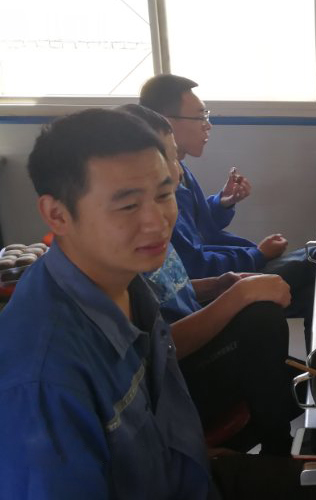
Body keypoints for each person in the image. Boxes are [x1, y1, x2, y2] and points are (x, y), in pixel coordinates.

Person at [0, 109, 212, 498]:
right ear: (57, 214)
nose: (157, 222)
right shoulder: (44, 380)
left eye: (164, 195)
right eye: (128, 206)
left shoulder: (126, 280)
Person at [119, 104, 301, 455]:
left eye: (174, 157)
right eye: (167, 157)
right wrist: (239, 293)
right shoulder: (122, 249)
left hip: (194, 339)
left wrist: (219, 285)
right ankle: (277, 452)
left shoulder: (158, 216)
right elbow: (157, 348)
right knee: (261, 319)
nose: (177, 169)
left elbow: (169, 288)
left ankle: (285, 415)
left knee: (296, 373)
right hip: (174, 378)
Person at [139, 74, 315, 348]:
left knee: (315, 270)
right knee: (315, 263)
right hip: (207, 302)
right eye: (200, 117)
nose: (208, 125)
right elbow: (194, 264)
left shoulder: (180, 172)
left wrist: (222, 202)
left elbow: (197, 229)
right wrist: (256, 256)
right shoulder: (155, 200)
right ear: (166, 122)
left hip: (224, 274)